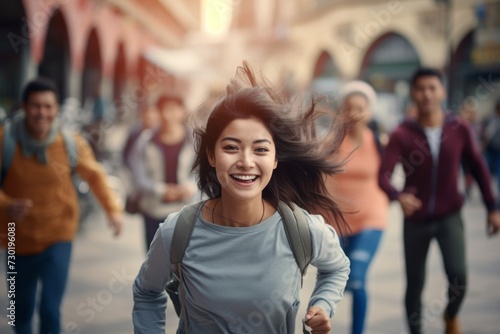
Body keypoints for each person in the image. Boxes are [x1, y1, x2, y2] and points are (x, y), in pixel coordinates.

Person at [132, 62, 351, 333]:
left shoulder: (302, 231)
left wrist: (322, 305)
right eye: (231, 148)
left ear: (275, 159)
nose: (246, 162)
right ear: (211, 156)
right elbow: (146, 291)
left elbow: (337, 267)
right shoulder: (177, 232)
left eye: (260, 149)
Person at [378, 68, 500, 334]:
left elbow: (478, 167)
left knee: (459, 277)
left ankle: (451, 315)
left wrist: (493, 208)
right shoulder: (402, 132)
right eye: (421, 89)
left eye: (432, 88)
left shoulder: (459, 128)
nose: (427, 94)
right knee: (415, 284)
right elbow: (384, 176)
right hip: (416, 220)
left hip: (449, 216)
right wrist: (398, 196)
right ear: (413, 93)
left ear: (442, 92)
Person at [0, 77, 124, 334]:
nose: (42, 113)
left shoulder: (69, 142)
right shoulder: (5, 140)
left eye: (48, 106)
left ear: (56, 109)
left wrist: (112, 210)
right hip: (14, 238)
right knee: (19, 311)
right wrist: (6, 204)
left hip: (59, 234)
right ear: (24, 107)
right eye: (35, 106)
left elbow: (94, 174)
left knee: (49, 309)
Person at [325, 81, 389, 334]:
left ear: (369, 112)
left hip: (371, 219)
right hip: (336, 222)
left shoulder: (380, 142)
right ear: (342, 112)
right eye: (349, 108)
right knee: (332, 281)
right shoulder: (330, 143)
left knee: (358, 277)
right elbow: (317, 180)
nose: (354, 113)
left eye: (360, 108)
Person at [129, 95, 197, 251]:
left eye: (173, 110)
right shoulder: (145, 141)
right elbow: (138, 176)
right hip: (153, 210)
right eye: (164, 110)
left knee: (183, 260)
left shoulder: (194, 141)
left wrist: (190, 186)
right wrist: (161, 190)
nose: (168, 115)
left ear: (182, 112)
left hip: (185, 210)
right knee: (154, 256)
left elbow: (201, 172)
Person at [480, 99, 500, 201]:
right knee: (488, 172)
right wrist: (483, 147)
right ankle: (488, 193)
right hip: (491, 150)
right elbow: (487, 135)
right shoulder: (492, 119)